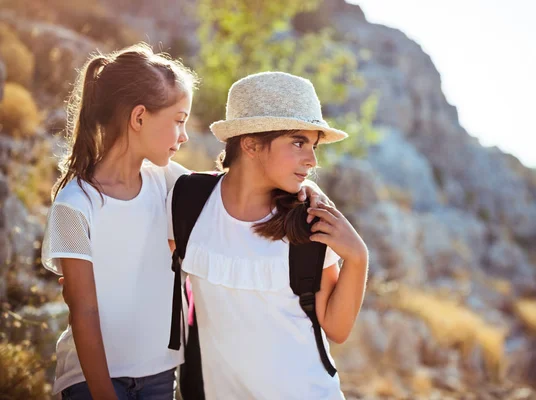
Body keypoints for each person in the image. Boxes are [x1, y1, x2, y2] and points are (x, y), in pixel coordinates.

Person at [42, 44, 329, 400]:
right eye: (178, 120)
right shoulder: (76, 203)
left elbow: (234, 185)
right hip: (93, 380)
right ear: (139, 118)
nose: (184, 136)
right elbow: (83, 310)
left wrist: (308, 187)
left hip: (161, 375)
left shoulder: (169, 183)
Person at [168, 71, 369, 399]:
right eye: (298, 142)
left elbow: (337, 328)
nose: (313, 160)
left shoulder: (307, 220)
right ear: (250, 143)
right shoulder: (187, 200)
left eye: (314, 145)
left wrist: (357, 257)